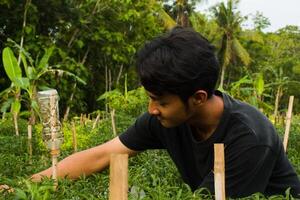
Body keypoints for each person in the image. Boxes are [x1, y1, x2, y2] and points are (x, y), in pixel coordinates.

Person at [31, 27, 300, 198]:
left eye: (160, 101)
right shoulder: (164, 118)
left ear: (198, 98)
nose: (152, 110)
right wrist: (26, 186)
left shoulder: (250, 137)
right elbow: (103, 154)